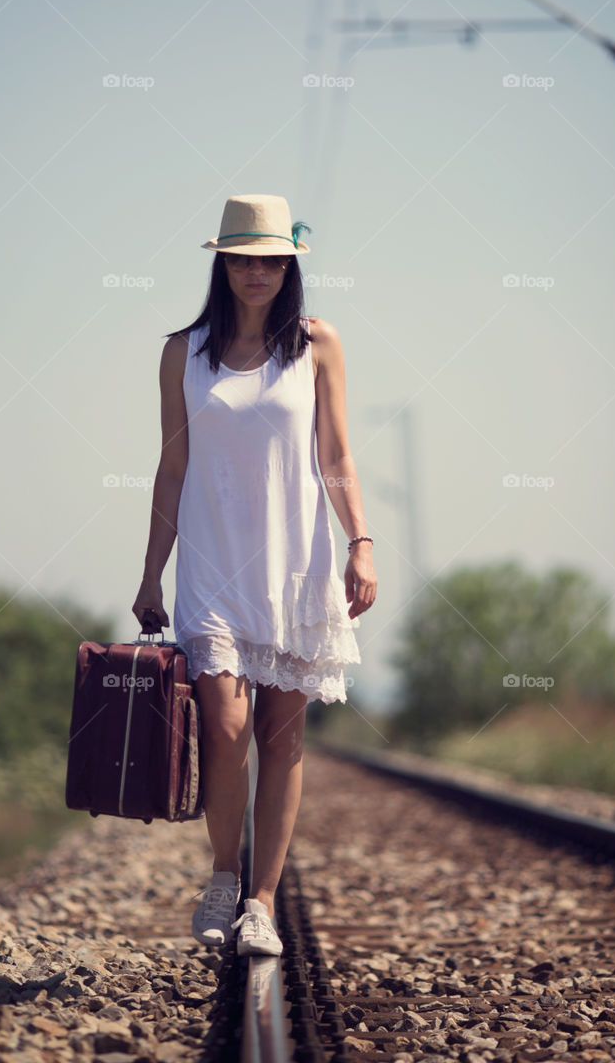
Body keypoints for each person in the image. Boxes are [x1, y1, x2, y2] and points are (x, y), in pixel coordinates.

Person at [132, 194, 377, 957]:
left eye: (271, 258)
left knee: (282, 739)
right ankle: (222, 876)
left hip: (293, 565)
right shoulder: (184, 350)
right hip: (210, 567)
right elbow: (172, 467)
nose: (257, 272)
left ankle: (262, 904)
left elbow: (335, 456)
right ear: (222, 264)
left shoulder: (316, 343)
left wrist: (359, 542)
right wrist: (149, 576)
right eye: (243, 259)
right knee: (226, 728)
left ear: (289, 265)